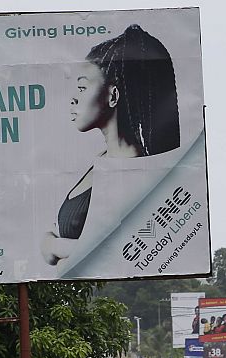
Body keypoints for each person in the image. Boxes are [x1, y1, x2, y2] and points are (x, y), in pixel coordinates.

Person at [41, 24, 180, 266]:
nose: (73, 98)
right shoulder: (104, 159)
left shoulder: (130, 171)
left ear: (113, 95)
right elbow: (54, 242)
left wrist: (54, 244)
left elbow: (116, 248)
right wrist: (57, 245)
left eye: (83, 87)